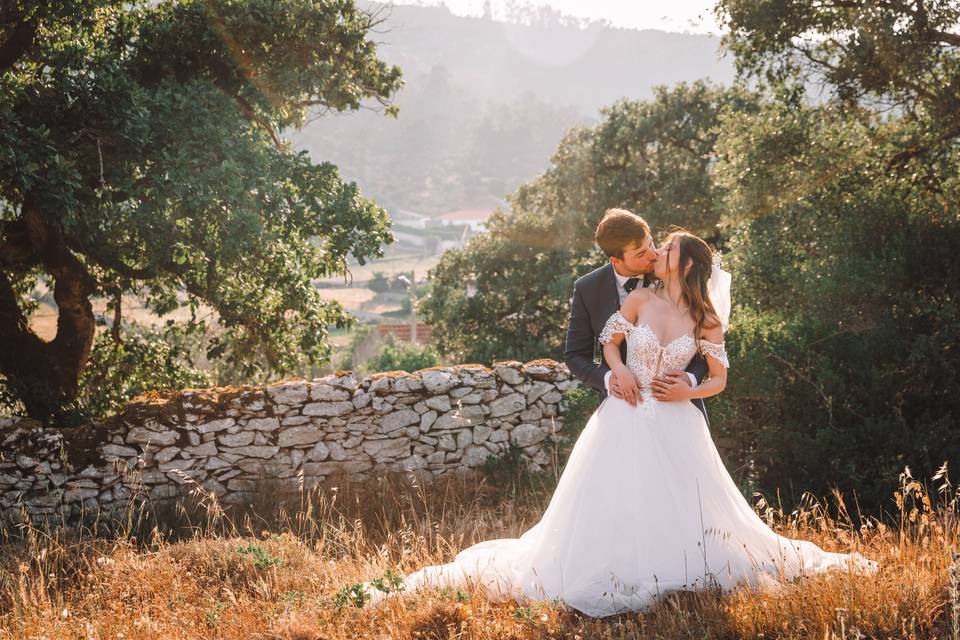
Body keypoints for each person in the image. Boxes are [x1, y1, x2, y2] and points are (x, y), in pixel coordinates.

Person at [363, 226, 878, 617]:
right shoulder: (639, 297)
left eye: (667, 250)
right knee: (610, 496)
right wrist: (619, 375)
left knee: (682, 502)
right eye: (655, 248)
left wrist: (690, 388)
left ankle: (677, 568)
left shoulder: (706, 318)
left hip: (678, 420)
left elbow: (720, 378)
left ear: (687, 264)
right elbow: (607, 343)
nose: (657, 254)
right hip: (624, 414)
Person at [563, 208, 710, 421]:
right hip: (622, 411)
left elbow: (706, 344)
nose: (653, 254)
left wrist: (689, 379)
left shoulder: (671, 272)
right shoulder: (588, 289)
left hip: (679, 411)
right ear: (616, 261)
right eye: (641, 253)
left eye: (650, 243)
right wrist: (609, 378)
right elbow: (575, 355)